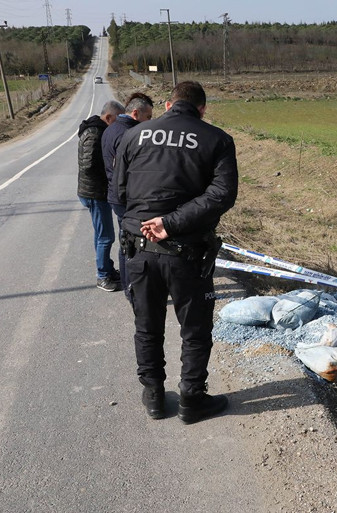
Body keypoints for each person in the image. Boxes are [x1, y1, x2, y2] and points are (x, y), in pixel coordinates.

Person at [114, 81, 238, 422]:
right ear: (202, 109)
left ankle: (154, 394)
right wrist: (172, 222)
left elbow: (121, 191)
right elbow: (222, 195)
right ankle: (191, 399)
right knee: (195, 330)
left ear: (169, 105)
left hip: (139, 249)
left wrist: (154, 220)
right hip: (187, 253)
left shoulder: (134, 135)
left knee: (146, 325)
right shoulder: (217, 139)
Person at [102, 92, 154, 301]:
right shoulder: (129, 134)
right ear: (135, 113)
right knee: (131, 244)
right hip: (127, 198)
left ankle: (129, 285)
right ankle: (132, 288)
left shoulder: (112, 128)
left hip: (116, 195)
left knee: (126, 240)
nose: (150, 121)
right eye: (148, 117)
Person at [77, 100, 125, 292]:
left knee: (101, 235)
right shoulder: (95, 134)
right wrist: (110, 171)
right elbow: (89, 165)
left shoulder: (96, 129)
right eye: (117, 119)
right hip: (95, 193)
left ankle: (107, 269)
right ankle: (103, 276)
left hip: (95, 192)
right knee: (105, 237)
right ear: (108, 117)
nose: (118, 124)